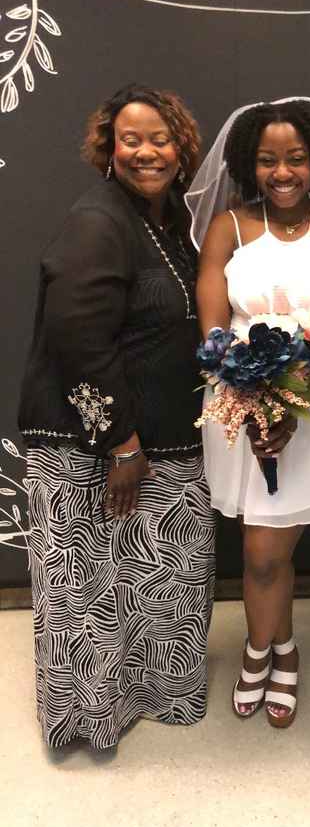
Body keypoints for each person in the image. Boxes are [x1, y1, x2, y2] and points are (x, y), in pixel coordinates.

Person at [18, 84, 214, 750]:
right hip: (95, 450)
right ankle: (88, 718)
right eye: (131, 139)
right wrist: (123, 447)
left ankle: (155, 693)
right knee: (93, 593)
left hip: (158, 443)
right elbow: (77, 336)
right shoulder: (98, 219)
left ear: (181, 146)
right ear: (109, 147)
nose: (146, 151)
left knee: (149, 584)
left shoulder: (160, 219)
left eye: (160, 138)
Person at [189, 97, 310, 728]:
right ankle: (276, 647)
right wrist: (250, 395)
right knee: (262, 547)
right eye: (268, 160)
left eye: (296, 158)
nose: (282, 172)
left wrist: (295, 398)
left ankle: (264, 648)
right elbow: (214, 330)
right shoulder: (229, 228)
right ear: (249, 164)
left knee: (270, 549)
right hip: (238, 404)